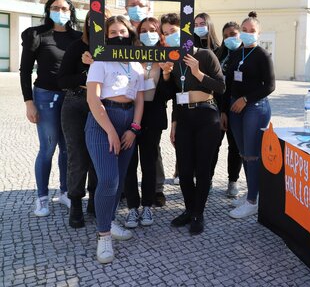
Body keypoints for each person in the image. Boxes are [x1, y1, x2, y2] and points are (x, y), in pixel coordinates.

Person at [85, 15, 145, 264]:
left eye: (122, 31)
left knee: (118, 180)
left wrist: (134, 129)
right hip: (102, 123)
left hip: (128, 124)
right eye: (112, 32)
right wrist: (110, 130)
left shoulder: (137, 64)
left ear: (130, 34)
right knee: (108, 179)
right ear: (106, 37)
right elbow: (93, 98)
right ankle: (104, 235)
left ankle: (108, 221)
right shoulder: (100, 61)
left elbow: (140, 99)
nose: (118, 35)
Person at [161, 13, 225, 235]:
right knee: (185, 170)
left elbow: (221, 87)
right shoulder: (172, 59)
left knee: (203, 168)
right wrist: (166, 75)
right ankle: (189, 210)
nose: (170, 36)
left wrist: (198, 73)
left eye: (173, 31)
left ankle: (198, 213)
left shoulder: (205, 55)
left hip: (207, 116)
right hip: (184, 118)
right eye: (166, 33)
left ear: (185, 32)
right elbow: (171, 95)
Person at [20, 0, 81, 217]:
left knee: (68, 148)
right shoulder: (37, 35)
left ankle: (65, 192)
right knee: (47, 148)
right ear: (48, 10)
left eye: (64, 8)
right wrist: (29, 102)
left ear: (71, 12)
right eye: (55, 8)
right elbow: (25, 71)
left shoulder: (78, 37)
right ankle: (42, 197)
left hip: (72, 97)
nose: (60, 12)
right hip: (45, 97)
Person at [57, 11, 108, 228]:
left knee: (99, 155)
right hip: (76, 104)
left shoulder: (115, 49)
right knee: (77, 155)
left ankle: (95, 201)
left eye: (103, 20)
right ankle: (76, 202)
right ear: (87, 23)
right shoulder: (77, 46)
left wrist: (96, 64)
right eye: (92, 20)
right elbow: (62, 80)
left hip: (103, 104)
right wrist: (87, 73)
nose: (97, 24)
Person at [225, 11, 275, 219]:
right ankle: (252, 193)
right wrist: (225, 109)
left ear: (259, 33)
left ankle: (253, 201)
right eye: (244, 30)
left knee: (253, 155)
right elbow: (229, 83)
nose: (247, 33)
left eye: (252, 30)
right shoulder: (236, 53)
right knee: (244, 153)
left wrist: (245, 99)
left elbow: (270, 86)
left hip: (255, 107)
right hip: (235, 108)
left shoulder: (263, 55)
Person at [123, 17, 169, 228]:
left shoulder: (166, 56)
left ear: (159, 34)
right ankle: (132, 207)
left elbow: (170, 93)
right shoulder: (129, 54)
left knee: (149, 162)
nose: (148, 34)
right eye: (144, 30)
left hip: (153, 115)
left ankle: (147, 205)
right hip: (129, 113)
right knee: (129, 162)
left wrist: (166, 74)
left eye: (153, 30)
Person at [214, 22, 243, 198]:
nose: (229, 38)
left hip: (236, 107)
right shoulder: (219, 54)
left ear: (240, 34)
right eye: (225, 36)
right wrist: (221, 110)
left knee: (235, 147)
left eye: (233, 34)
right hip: (217, 107)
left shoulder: (246, 55)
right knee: (213, 145)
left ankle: (233, 181)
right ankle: (207, 179)